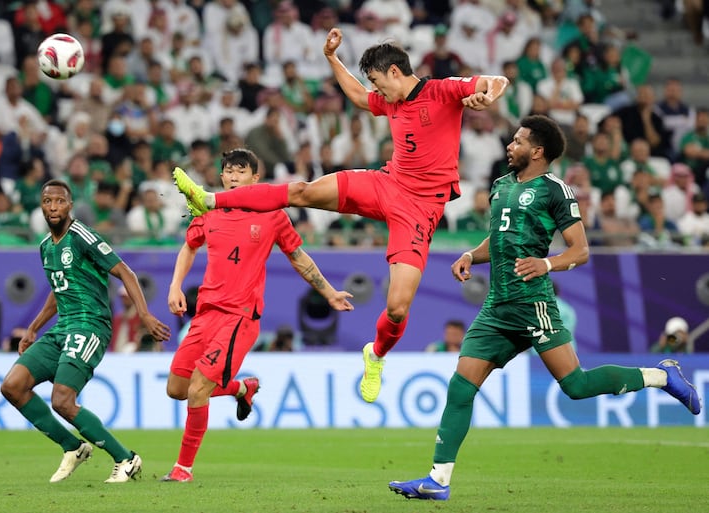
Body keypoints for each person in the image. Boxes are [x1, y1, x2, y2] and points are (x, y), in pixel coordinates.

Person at [173, 27, 509, 403]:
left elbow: (496, 80)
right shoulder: (390, 101)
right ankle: (210, 199)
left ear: (395, 72)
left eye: (380, 83)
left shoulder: (442, 91)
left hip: (419, 209)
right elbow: (357, 96)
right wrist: (332, 58)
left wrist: (485, 96)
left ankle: (376, 354)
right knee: (301, 191)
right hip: (385, 184)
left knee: (397, 308)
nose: (378, 93)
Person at [388, 115, 701, 501]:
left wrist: (547, 263)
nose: (510, 145)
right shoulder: (502, 185)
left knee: (576, 385)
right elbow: (499, 239)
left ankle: (661, 375)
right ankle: (438, 480)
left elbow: (580, 250)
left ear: (537, 151)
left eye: (518, 141)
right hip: (497, 307)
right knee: (461, 385)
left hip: (532, 301)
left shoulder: (555, 190)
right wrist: (472, 253)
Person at [161, 148, 354, 482]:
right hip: (205, 314)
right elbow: (189, 246)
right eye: (229, 171)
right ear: (222, 177)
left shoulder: (274, 215)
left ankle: (183, 469)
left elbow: (298, 256)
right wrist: (175, 286)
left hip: (240, 317)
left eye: (241, 171)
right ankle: (241, 389)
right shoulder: (208, 211)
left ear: (255, 179)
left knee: (197, 391)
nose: (234, 177)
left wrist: (329, 292)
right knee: (177, 389)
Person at [0, 179, 171, 484]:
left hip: (91, 324)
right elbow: (58, 289)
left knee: (62, 400)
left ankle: (126, 458)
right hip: (63, 326)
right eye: (48, 201)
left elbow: (125, 271)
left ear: (70, 205)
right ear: (41, 205)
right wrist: (33, 328)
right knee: (13, 386)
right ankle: (73, 447)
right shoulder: (45, 247)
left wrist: (144, 315)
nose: (53, 207)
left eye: (59, 201)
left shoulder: (81, 236)